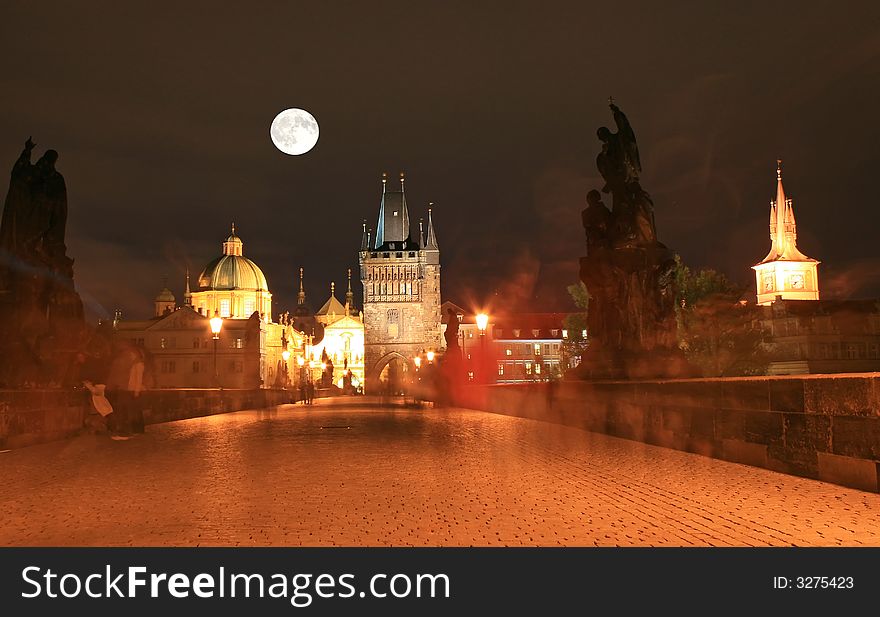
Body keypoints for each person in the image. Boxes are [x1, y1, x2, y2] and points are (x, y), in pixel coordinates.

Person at [105, 342, 145, 438]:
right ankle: (137, 429)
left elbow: (138, 378)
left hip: (132, 390)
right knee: (133, 410)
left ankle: (133, 430)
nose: (130, 355)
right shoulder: (134, 364)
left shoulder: (139, 364)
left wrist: (136, 391)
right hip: (130, 390)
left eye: (131, 354)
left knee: (130, 410)